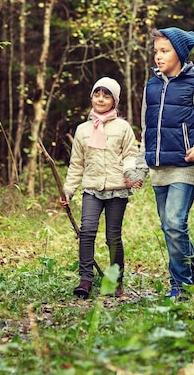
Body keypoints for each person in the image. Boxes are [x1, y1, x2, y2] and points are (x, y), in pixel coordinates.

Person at [137, 27, 194, 299]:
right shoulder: (151, 87)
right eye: (156, 51)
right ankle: (193, 265)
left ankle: (182, 286)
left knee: (175, 223)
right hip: (158, 168)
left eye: (164, 51)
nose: (158, 57)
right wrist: (140, 166)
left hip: (187, 165)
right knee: (169, 226)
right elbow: (146, 130)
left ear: (179, 53)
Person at [62, 77, 144, 299]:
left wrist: (130, 174)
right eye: (97, 94)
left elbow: (130, 155)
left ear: (114, 101)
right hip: (92, 189)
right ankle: (85, 279)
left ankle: (116, 282)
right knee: (87, 232)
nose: (101, 99)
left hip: (117, 189)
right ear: (91, 97)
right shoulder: (82, 130)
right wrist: (67, 191)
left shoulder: (123, 127)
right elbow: (76, 163)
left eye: (106, 96)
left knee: (113, 237)